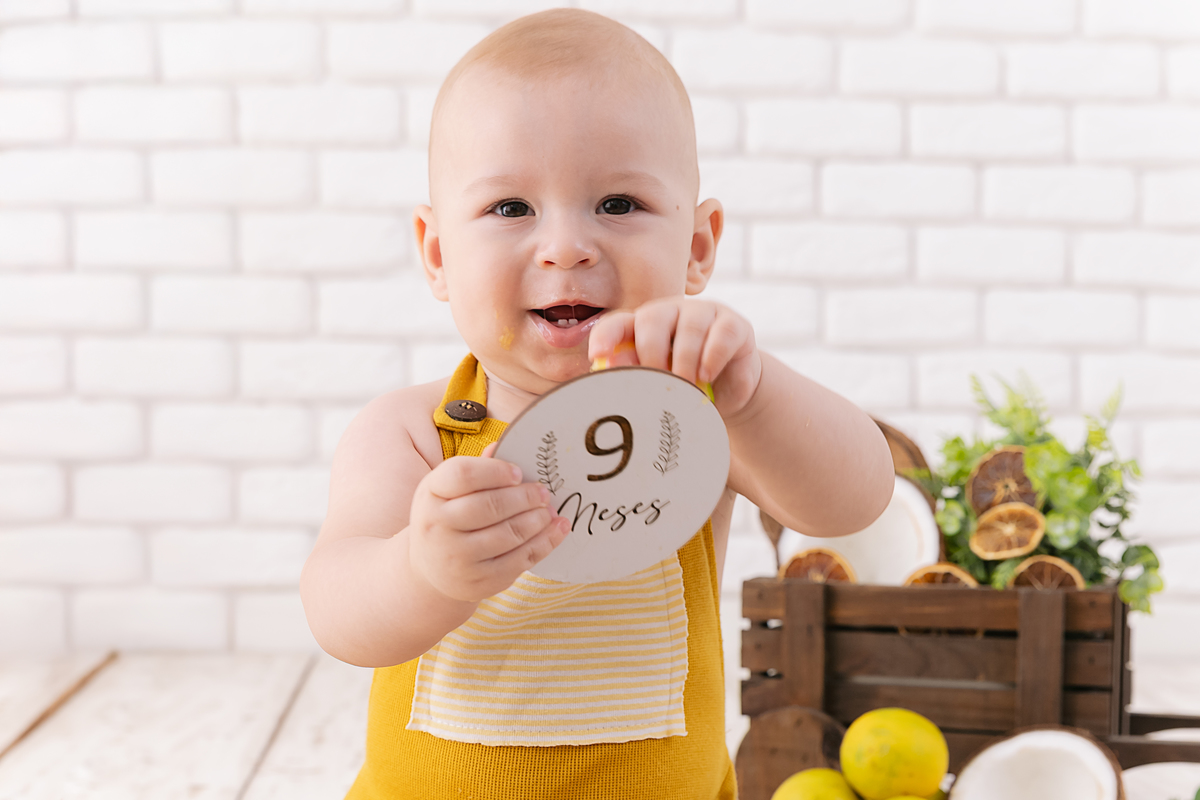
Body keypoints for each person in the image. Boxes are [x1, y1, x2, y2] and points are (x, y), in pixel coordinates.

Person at [300, 8, 894, 799]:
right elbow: (338, 613)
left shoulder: (698, 415)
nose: (566, 246)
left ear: (697, 248)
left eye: (617, 204)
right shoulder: (413, 434)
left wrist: (754, 394)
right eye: (511, 208)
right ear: (439, 255)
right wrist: (420, 569)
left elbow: (853, 499)